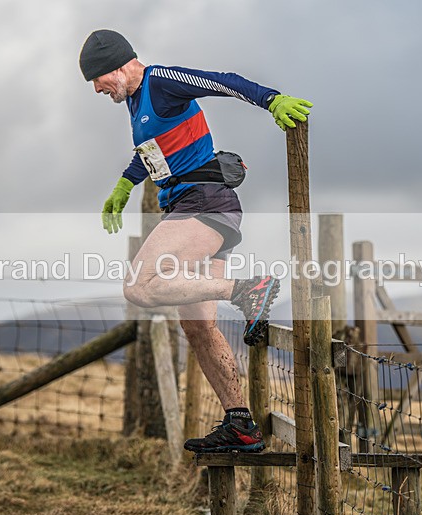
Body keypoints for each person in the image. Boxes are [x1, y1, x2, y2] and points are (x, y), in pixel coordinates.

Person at [79, 29, 312, 453]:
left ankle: (247, 290)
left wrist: (272, 100)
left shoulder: (161, 81)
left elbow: (221, 81)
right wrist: (126, 183)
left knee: (139, 286)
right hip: (195, 207)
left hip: (203, 202)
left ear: (119, 65)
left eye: (97, 79)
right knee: (199, 328)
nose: (96, 89)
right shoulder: (134, 101)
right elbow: (152, 149)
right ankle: (240, 423)